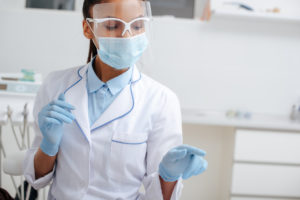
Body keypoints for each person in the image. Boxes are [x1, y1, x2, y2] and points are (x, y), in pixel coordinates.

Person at [23, 0, 208, 199]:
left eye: (137, 26)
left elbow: (158, 196)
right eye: (112, 25)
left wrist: (169, 175)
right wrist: (48, 146)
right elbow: (38, 179)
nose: (127, 36)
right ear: (88, 28)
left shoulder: (162, 101)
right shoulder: (55, 85)